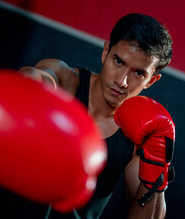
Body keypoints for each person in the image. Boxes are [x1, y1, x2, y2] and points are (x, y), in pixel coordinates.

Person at [18, 13, 174, 219]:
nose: (122, 81)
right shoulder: (66, 82)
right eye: (118, 61)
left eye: (138, 73)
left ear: (150, 81)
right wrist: (36, 83)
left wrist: (157, 168)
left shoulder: (137, 141)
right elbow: (40, 75)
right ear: (105, 52)